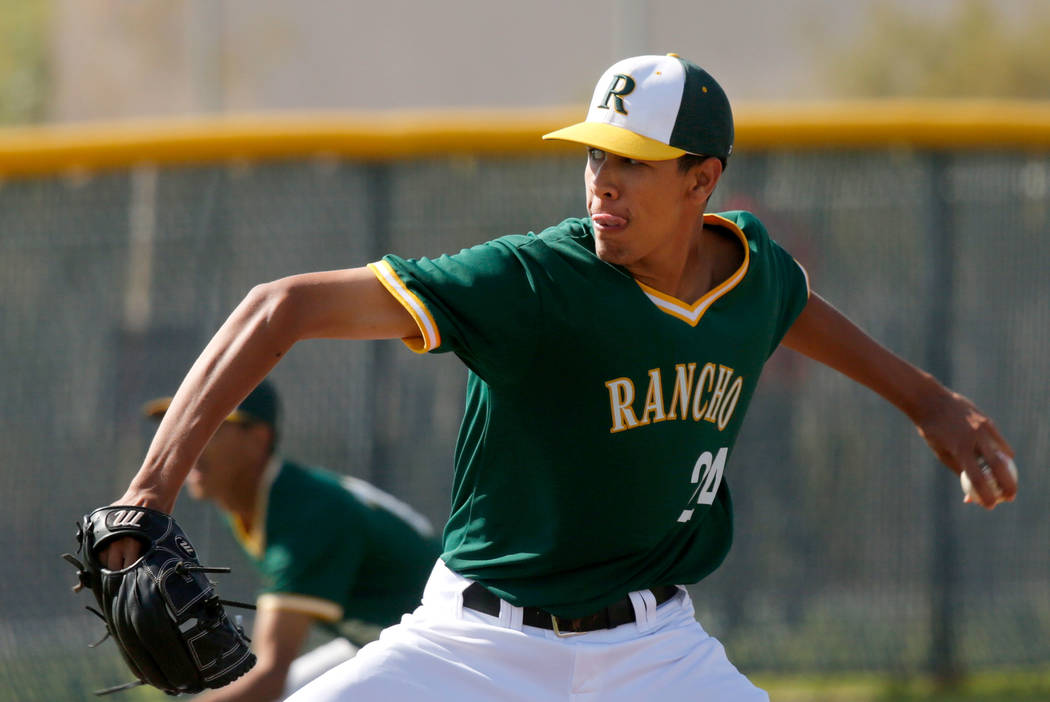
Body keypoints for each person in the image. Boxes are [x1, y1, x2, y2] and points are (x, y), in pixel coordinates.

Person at [104, 54, 1017, 701]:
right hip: (475, 644)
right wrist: (148, 495)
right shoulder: (534, 280)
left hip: (657, 650)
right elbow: (281, 307)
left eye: (633, 161)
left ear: (703, 180)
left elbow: (792, 306)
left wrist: (929, 402)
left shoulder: (751, 268)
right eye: (594, 153)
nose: (602, 181)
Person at [141, 378, 441, 701]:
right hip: (389, 638)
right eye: (179, 428)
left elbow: (269, 677)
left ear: (258, 439)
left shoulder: (304, 516)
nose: (186, 444)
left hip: (444, 651)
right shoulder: (252, 500)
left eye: (207, 428)